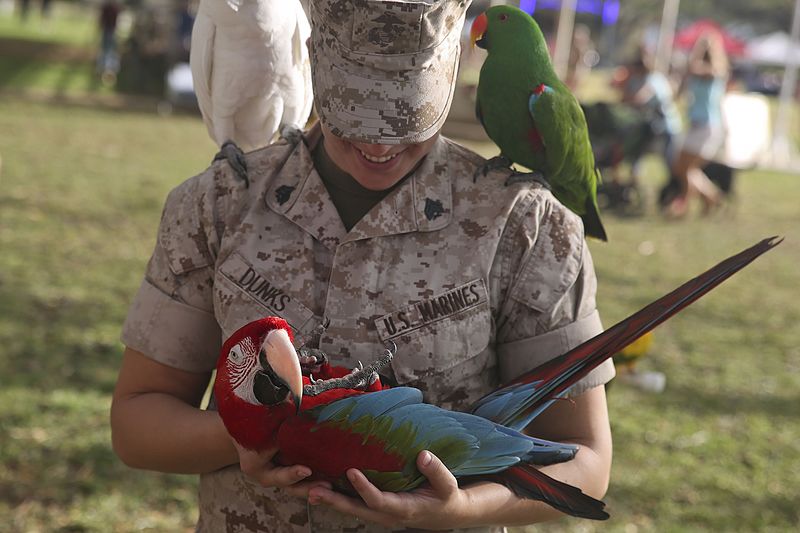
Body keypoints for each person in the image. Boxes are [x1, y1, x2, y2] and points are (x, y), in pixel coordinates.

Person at [110, 1, 614, 531]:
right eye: (355, 109)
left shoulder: (527, 226)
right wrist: (250, 434)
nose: (378, 142)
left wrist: (463, 508)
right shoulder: (216, 205)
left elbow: (584, 459)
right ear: (314, 66)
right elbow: (136, 424)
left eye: (405, 114)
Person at [667, 32, 729, 218]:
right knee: (683, 167)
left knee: (686, 168)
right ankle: (711, 196)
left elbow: (699, 69)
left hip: (707, 125)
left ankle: (684, 204)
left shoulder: (715, 71)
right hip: (695, 125)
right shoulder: (696, 73)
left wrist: (695, 54)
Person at [619, 49, 682, 186]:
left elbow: (639, 99)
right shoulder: (637, 79)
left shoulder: (655, 80)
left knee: (671, 165)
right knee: (636, 155)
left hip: (666, 128)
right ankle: (633, 184)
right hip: (648, 129)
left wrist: (627, 95)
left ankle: (676, 192)